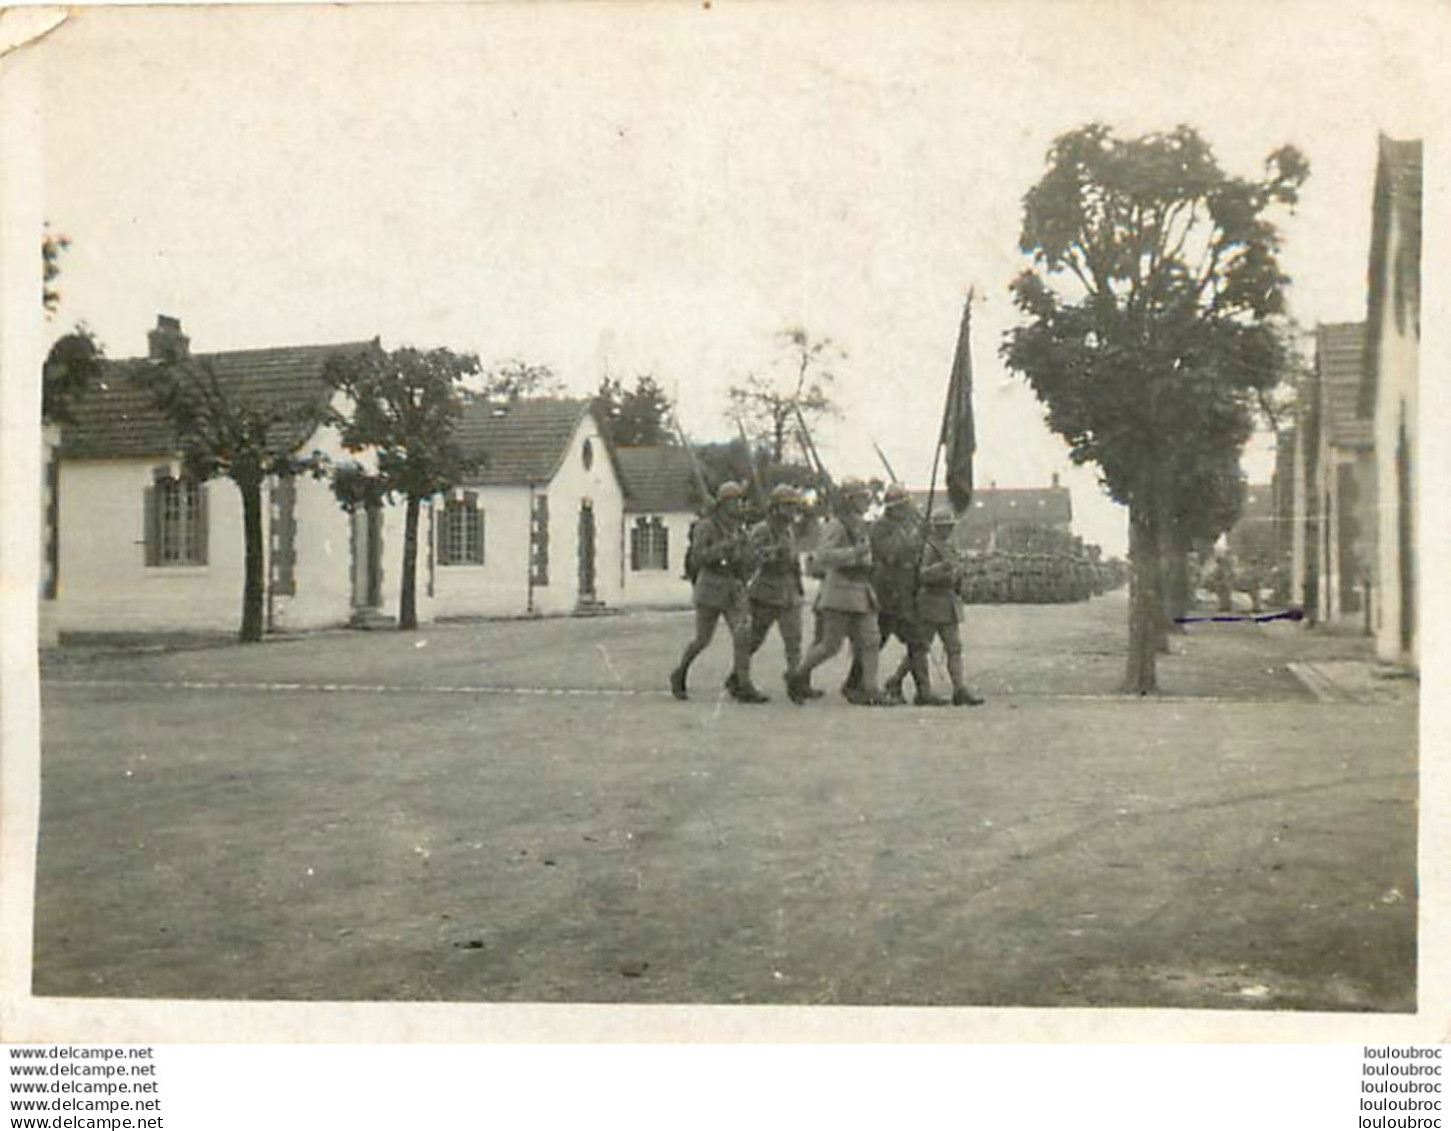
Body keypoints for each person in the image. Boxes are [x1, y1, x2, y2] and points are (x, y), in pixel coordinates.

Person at [785, 479, 888, 706]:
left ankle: (871, 689)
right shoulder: (837, 524)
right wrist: (854, 552)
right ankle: (797, 675)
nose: (866, 502)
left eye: (866, 498)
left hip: (862, 589)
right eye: (861, 498)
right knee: (830, 645)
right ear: (850, 501)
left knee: (871, 641)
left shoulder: (861, 524)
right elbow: (824, 555)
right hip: (840, 589)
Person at [669, 481, 769, 703]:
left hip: (734, 587)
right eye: (734, 501)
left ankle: (743, 684)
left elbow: (746, 558)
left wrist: (752, 554)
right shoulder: (707, 526)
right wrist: (724, 547)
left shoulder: (738, 528)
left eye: (740, 500)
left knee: (743, 636)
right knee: (702, 639)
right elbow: (698, 557)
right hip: (711, 586)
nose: (738, 505)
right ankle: (680, 672)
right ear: (723, 503)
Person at [886, 508, 985, 706]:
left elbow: (956, 572)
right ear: (935, 527)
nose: (947, 530)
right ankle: (895, 680)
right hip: (930, 602)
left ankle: (959, 689)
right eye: (943, 527)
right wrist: (942, 569)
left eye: (949, 527)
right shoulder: (928, 548)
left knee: (954, 648)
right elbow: (920, 575)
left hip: (948, 602)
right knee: (920, 648)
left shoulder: (949, 546)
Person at [870, 484, 945, 706]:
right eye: (902, 506)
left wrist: (924, 532)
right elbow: (893, 550)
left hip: (907, 589)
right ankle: (857, 684)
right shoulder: (879, 528)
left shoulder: (909, 524)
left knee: (917, 642)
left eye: (906, 505)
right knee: (875, 642)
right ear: (892, 508)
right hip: (887, 590)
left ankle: (924, 691)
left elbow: (918, 549)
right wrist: (916, 535)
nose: (906, 509)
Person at [745, 483, 822, 698]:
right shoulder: (762, 529)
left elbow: (793, 559)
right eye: (787, 506)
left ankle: (796, 682)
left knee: (794, 641)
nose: (791, 511)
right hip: (766, 592)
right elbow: (752, 557)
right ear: (775, 507)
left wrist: (798, 587)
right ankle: (738, 676)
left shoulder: (788, 530)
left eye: (793, 506)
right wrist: (774, 551)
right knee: (754, 640)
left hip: (788, 591)